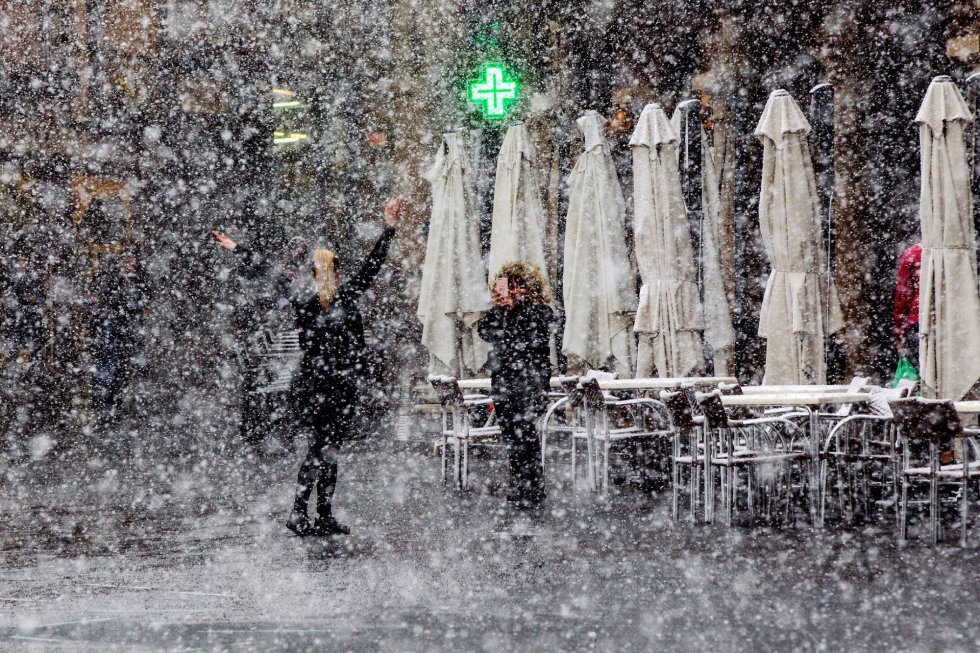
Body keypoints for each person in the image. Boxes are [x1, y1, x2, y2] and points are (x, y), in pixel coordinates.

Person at [212, 198, 401, 536]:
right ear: (333, 273)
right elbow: (373, 265)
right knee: (323, 450)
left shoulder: (306, 297)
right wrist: (388, 228)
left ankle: (316, 513)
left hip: (318, 384)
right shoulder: (341, 296)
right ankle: (305, 512)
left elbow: (266, 269)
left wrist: (237, 248)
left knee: (324, 449)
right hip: (330, 385)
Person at [477, 262, 554, 508]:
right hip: (504, 381)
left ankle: (532, 486)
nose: (511, 291)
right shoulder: (500, 312)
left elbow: (531, 338)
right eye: (507, 287)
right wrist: (500, 310)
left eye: (516, 286)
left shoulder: (540, 311)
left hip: (529, 382)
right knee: (511, 436)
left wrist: (516, 309)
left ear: (527, 287)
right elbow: (485, 331)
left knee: (527, 435)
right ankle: (520, 482)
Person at [894, 241, 922, 364]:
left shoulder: (913, 254)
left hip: (918, 317)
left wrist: (900, 330)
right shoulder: (955, 252)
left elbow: (903, 296)